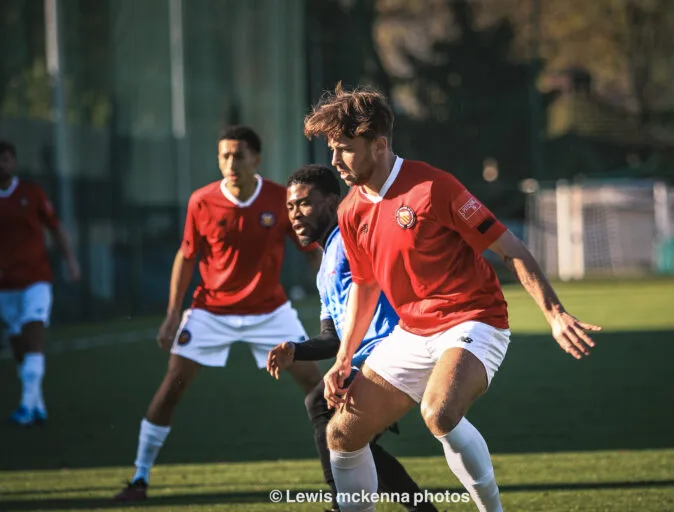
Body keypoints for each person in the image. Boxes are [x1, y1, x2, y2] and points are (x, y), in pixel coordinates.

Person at [303, 84, 602, 512]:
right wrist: (344, 358)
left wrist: (554, 314)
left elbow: (509, 249)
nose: (334, 161)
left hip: (474, 320)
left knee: (439, 413)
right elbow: (366, 286)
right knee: (341, 434)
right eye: (331, 149)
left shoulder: (433, 187)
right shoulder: (351, 209)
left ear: (379, 144)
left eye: (345, 149)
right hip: (411, 333)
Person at [114, 126, 323, 501]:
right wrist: (172, 314)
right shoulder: (202, 201)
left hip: (269, 311)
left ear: (256, 159)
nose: (230, 163)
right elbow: (187, 255)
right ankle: (139, 477)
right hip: (210, 311)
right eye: (224, 155)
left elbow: (310, 249)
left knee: (317, 383)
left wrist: (332, 298)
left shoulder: (279, 199)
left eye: (238, 155)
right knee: (171, 387)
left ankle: (352, 463)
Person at [266, 164, 437, 512]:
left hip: (394, 353)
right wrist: (295, 349)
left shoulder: (352, 239)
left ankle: (341, 504)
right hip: (362, 361)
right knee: (350, 439)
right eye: (290, 207)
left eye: (304, 203)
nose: (295, 214)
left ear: (332, 201)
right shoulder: (324, 263)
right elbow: (333, 337)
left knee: (323, 408)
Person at [0, 140, 81, 427]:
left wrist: (70, 261)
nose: (2, 164)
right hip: (5, 287)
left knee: (34, 338)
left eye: (6, 158)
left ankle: (25, 407)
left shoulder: (31, 194)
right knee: (19, 346)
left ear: (14, 162)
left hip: (36, 279)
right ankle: (38, 406)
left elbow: (55, 228)